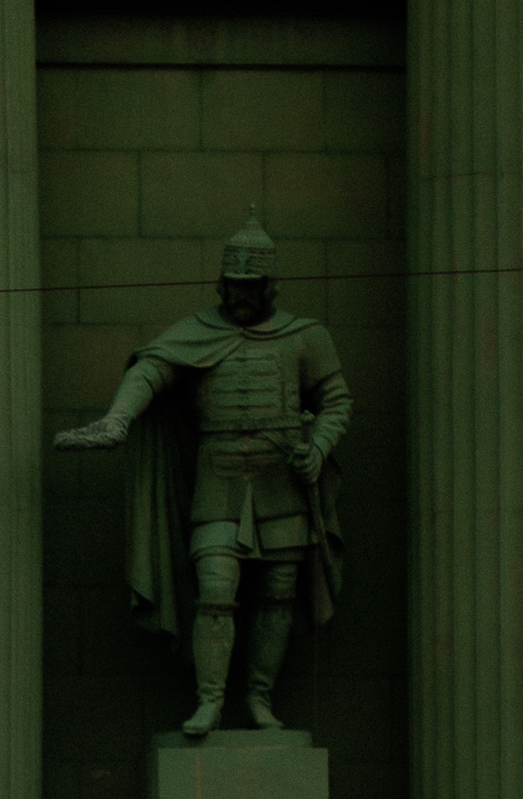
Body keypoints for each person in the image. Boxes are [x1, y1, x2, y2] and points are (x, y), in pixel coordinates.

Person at [53, 213, 349, 740]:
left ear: (271, 287)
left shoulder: (306, 336)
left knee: (278, 594)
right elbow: (150, 370)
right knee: (214, 589)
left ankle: (259, 697)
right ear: (220, 284)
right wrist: (119, 419)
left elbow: (335, 401)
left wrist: (319, 448)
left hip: (281, 484)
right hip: (218, 483)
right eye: (233, 285)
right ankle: (210, 700)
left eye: (251, 286)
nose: (241, 295)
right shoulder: (196, 333)